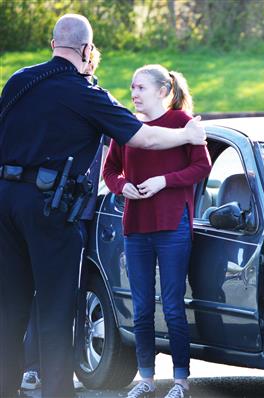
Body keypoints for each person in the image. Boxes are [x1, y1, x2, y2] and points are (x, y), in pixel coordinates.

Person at [0, 14, 206, 398]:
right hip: (50, 211)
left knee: (9, 312)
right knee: (57, 313)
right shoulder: (85, 93)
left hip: (6, 204)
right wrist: (187, 133)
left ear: (52, 45)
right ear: (85, 50)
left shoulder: (18, 81)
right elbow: (143, 137)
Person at [103, 64, 211, 398]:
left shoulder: (183, 124)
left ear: (163, 91)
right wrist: (123, 187)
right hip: (135, 227)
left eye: (140, 88)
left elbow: (202, 166)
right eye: (132, 88)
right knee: (142, 307)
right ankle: (146, 379)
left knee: (173, 305)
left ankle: (180, 380)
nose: (134, 94)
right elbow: (109, 172)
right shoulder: (126, 125)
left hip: (173, 225)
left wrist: (165, 181)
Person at [19, 45, 103, 394]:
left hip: (86, 214)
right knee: (45, 297)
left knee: (72, 297)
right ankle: (34, 366)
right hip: (59, 212)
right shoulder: (72, 106)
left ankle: (62, 368)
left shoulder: (95, 103)